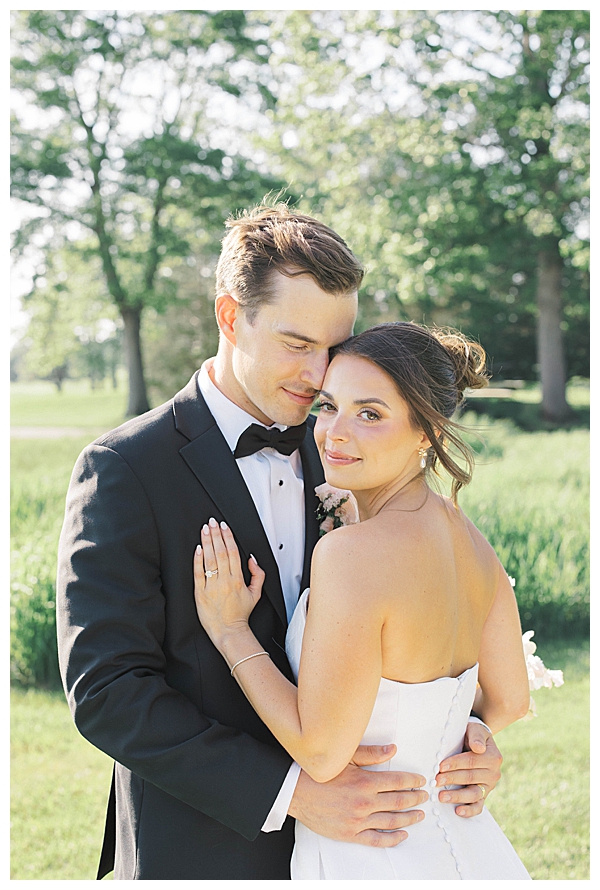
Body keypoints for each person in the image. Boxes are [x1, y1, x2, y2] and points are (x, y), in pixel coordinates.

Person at [56, 206, 503, 881]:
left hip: (368, 851)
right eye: (298, 343)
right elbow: (107, 692)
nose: (323, 371)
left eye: (336, 343)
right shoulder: (124, 468)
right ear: (232, 317)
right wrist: (293, 793)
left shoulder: (350, 451)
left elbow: (407, 640)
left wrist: (464, 733)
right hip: (205, 852)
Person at [193, 320, 532, 880]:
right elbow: (511, 699)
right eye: (328, 406)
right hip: (468, 846)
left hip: (373, 850)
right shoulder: (470, 540)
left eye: (369, 414)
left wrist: (232, 634)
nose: (333, 433)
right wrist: (461, 735)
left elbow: (322, 754)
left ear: (427, 432)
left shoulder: (352, 553)